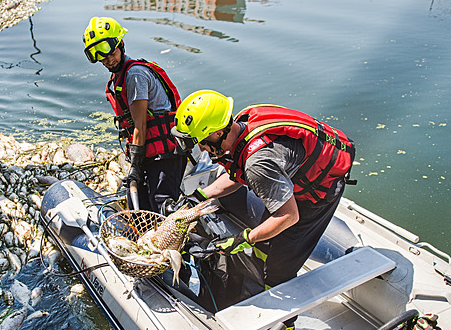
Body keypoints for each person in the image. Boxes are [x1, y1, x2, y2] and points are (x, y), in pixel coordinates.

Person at [171, 90, 356, 314]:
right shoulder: (242, 125)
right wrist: (199, 196)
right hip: (287, 183)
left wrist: (242, 238)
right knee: (263, 244)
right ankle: (257, 282)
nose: (201, 148)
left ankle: (282, 327)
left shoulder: (258, 163)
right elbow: (237, 176)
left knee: (279, 268)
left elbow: (289, 216)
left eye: (202, 142)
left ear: (219, 132)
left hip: (315, 195)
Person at [82, 17, 186, 212]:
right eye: (103, 58)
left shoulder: (135, 75)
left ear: (121, 45)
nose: (108, 60)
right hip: (148, 149)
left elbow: (140, 125)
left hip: (164, 153)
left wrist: (136, 166)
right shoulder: (118, 77)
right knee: (135, 197)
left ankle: (176, 239)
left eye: (112, 53)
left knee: (161, 203)